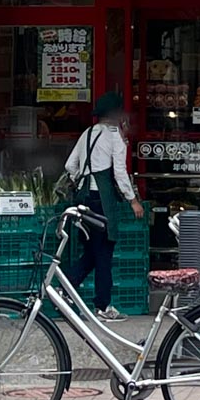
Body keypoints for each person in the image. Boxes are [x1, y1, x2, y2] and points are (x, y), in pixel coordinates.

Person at [63, 91, 144, 321]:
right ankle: (103, 306)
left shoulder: (87, 134)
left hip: (85, 199)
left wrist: (84, 177)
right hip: (103, 201)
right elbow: (119, 172)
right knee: (104, 254)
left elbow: (70, 165)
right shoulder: (114, 137)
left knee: (91, 251)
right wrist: (133, 200)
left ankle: (66, 290)